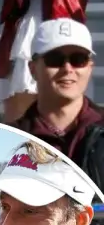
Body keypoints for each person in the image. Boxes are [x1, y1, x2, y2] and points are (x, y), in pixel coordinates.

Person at [12, 18, 104, 186]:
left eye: (78, 60)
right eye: (55, 59)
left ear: (89, 68)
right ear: (33, 69)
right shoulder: (11, 141)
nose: (68, 69)